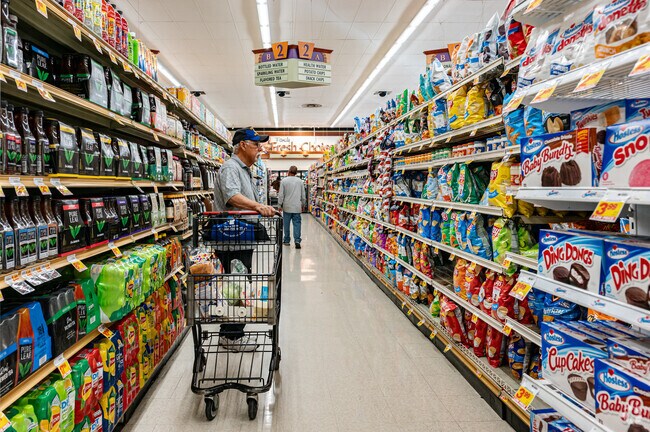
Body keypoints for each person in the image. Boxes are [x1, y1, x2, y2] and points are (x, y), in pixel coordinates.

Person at [213, 127, 275, 352]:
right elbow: (232, 196)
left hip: (240, 236)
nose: (260, 148)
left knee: (239, 283)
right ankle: (231, 337)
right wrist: (257, 206)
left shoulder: (244, 169)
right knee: (236, 285)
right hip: (232, 237)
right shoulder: (231, 167)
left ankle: (233, 333)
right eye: (256, 143)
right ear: (242, 145)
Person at [278, 165, 306, 248]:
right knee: (297, 224)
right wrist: (303, 204)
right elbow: (303, 195)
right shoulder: (300, 181)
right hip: (297, 207)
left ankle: (286, 240)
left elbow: (281, 195)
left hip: (287, 206)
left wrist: (279, 205)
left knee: (286, 224)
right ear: (296, 173)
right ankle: (297, 240)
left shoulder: (284, 181)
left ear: (288, 171)